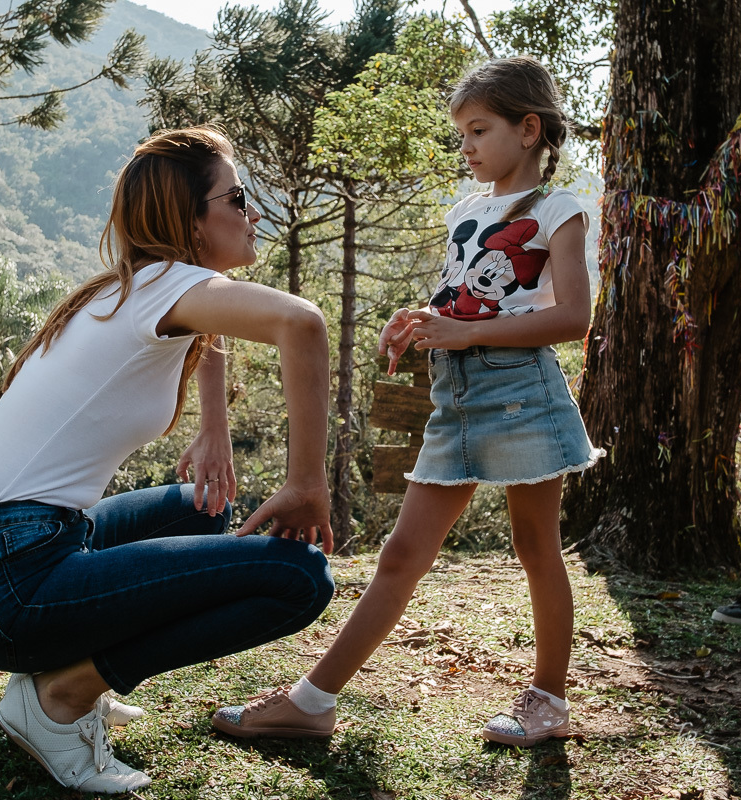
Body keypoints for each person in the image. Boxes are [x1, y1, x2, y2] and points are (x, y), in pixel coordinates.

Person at [213, 56, 604, 748]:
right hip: (453, 399)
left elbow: (574, 317)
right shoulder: (467, 211)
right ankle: (313, 701)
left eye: (479, 130)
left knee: (536, 546)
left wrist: (468, 330)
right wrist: (420, 318)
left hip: (520, 394)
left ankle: (548, 703)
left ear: (529, 128)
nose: (467, 146)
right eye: (462, 134)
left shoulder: (557, 211)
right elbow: (467, 298)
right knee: (400, 556)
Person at [0, 126, 336, 793]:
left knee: (203, 510)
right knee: (300, 579)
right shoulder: (161, 290)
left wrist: (213, 428)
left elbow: (206, 328)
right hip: (10, 583)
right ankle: (63, 695)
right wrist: (306, 483)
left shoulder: (128, 288)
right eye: (237, 199)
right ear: (193, 222)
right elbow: (303, 323)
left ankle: (55, 675)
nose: (253, 211)